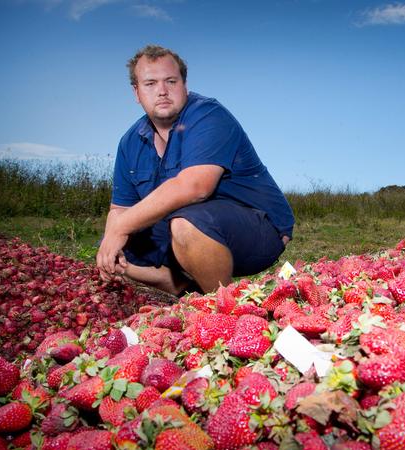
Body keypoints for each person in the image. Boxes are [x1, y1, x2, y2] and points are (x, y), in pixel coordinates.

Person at [96, 45, 294, 295]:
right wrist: (112, 236)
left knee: (186, 225)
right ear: (136, 92)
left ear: (184, 85)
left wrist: (121, 227)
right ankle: (189, 292)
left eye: (171, 81)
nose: (162, 91)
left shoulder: (208, 115)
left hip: (259, 228)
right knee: (113, 251)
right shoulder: (130, 141)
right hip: (190, 229)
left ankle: (224, 308)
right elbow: (120, 209)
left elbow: (196, 187)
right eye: (150, 83)